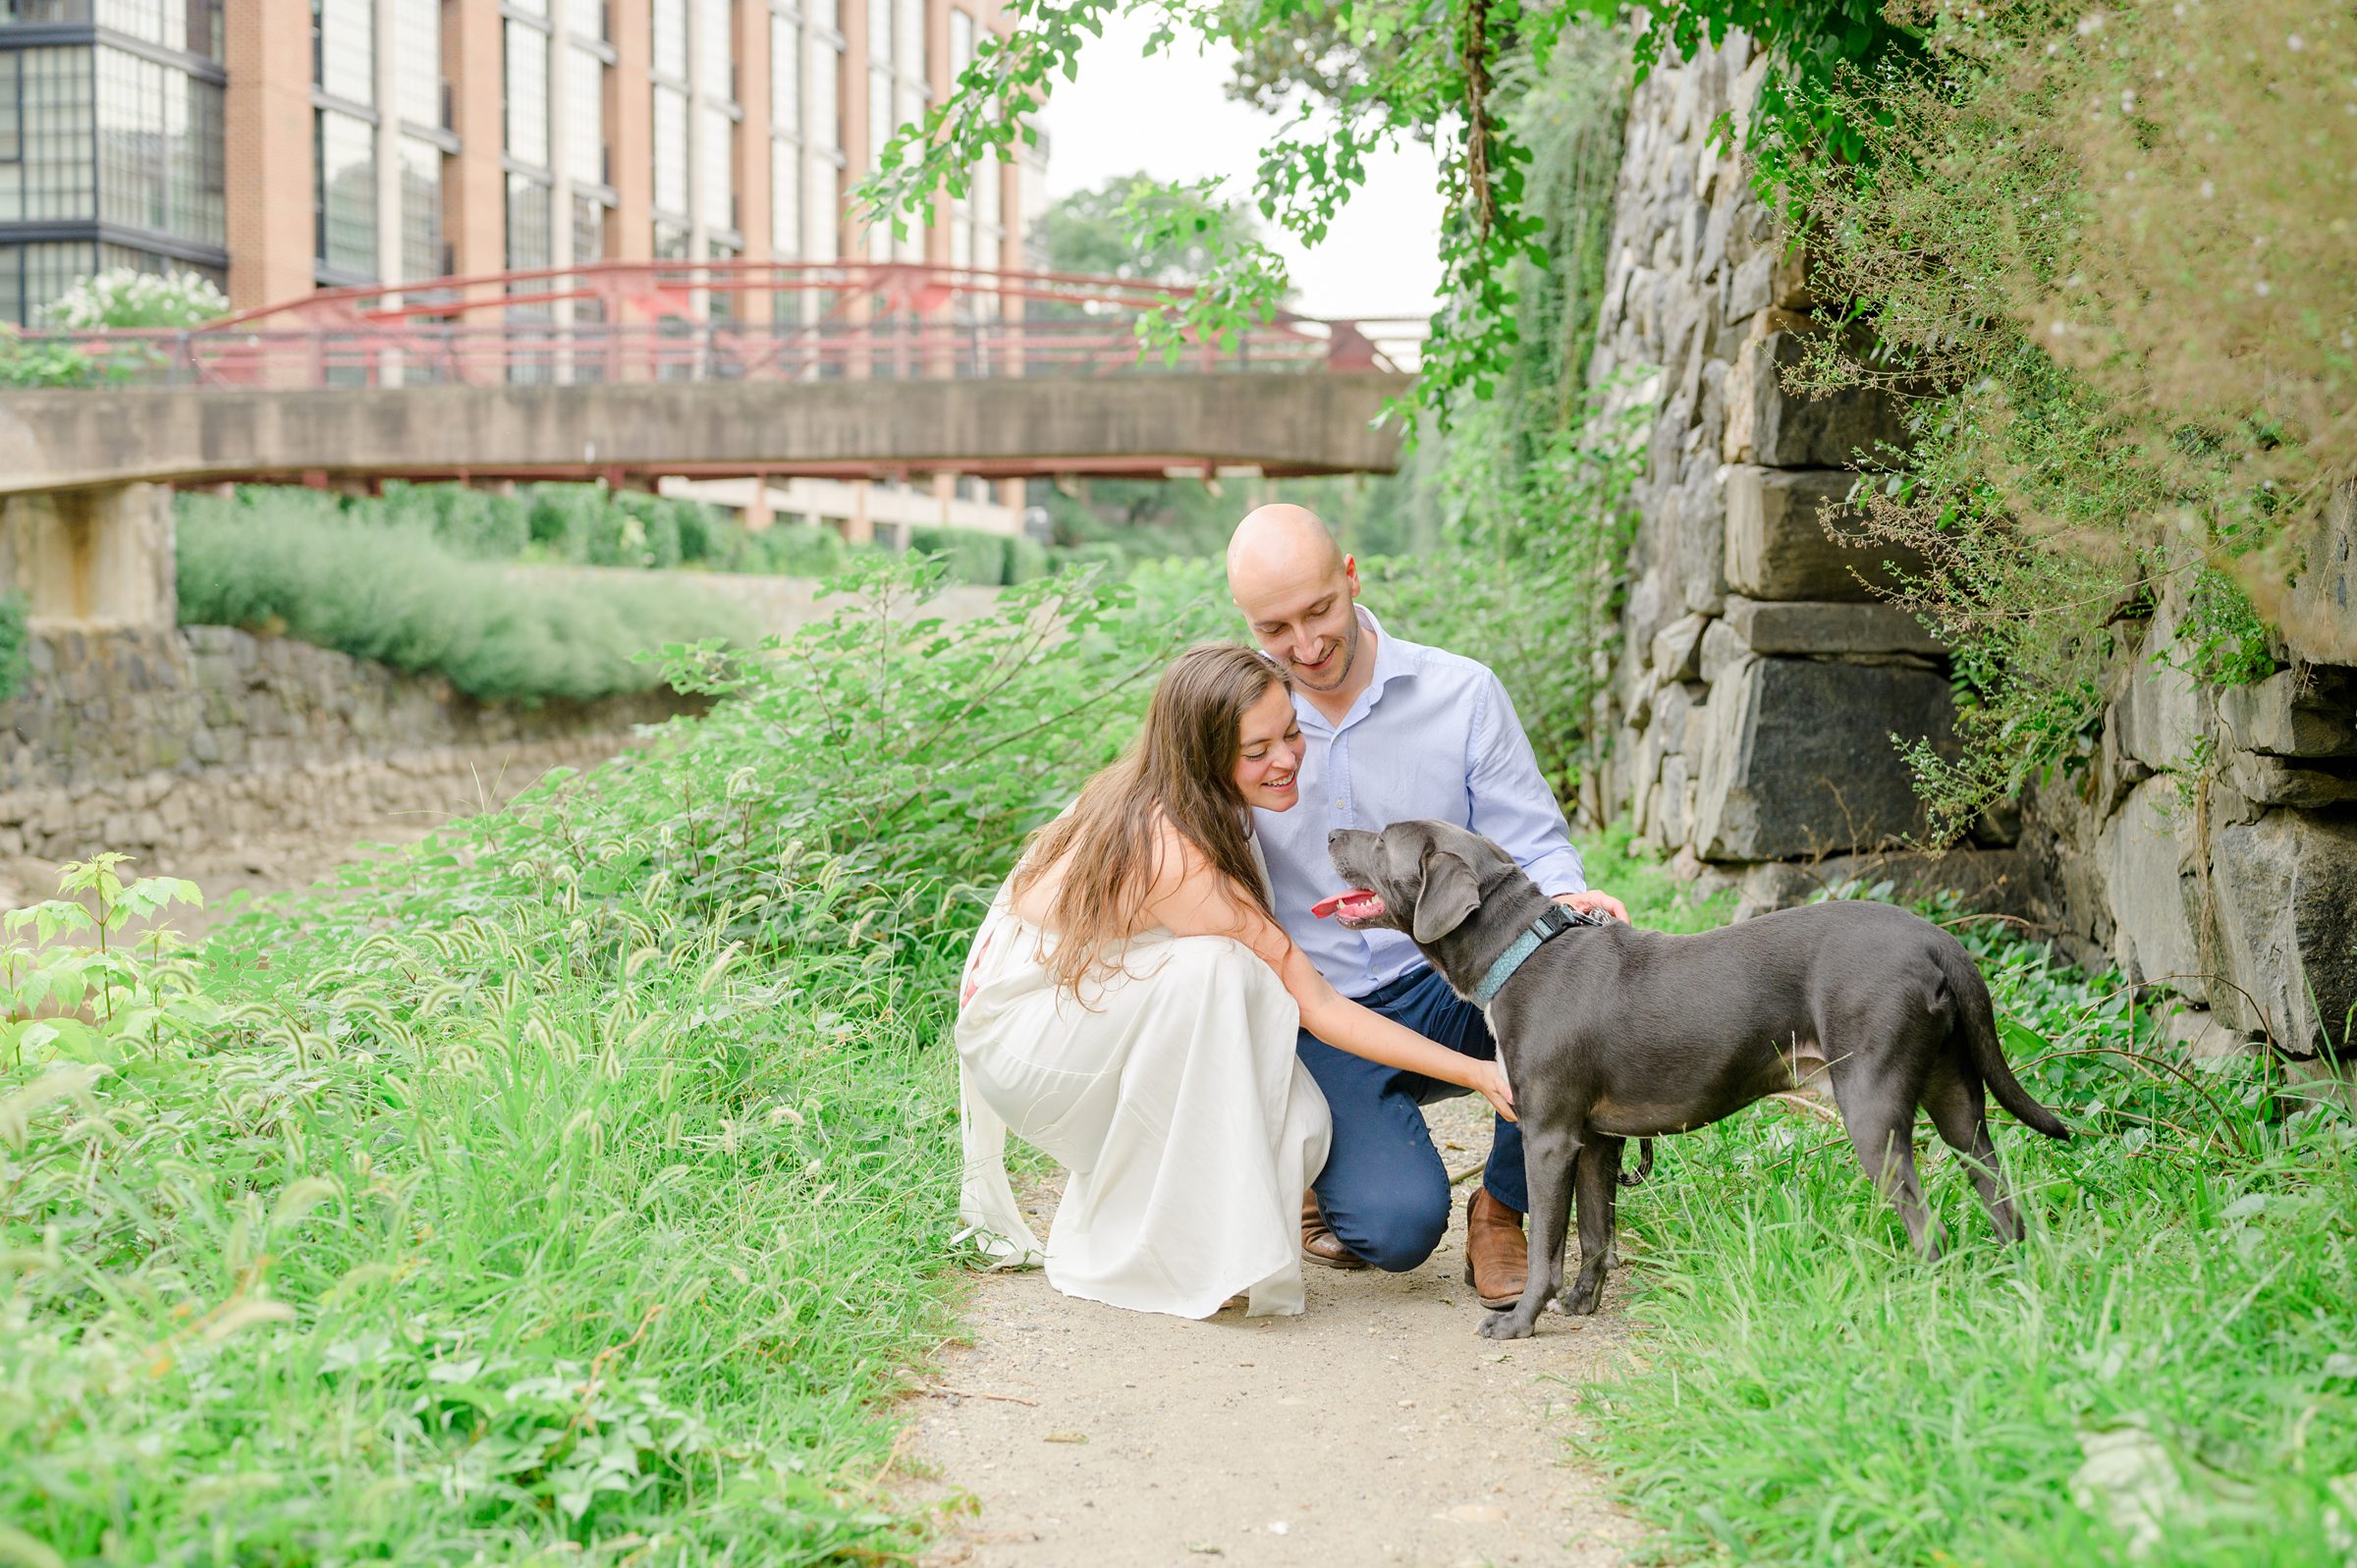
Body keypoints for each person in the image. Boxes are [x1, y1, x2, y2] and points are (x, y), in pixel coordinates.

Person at [954, 643, 1518, 1319]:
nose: (1285, 760)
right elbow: (1317, 1002)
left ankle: (1228, 1213)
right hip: (1035, 1038)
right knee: (1218, 972)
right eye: (1258, 750)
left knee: (1302, 1115)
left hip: (1081, 995)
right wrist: (1479, 1071)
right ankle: (1189, 1252)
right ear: (1203, 752)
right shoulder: (1175, 855)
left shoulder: (1180, 794)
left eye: (1291, 733)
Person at [1226, 505, 1628, 1309]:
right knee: (1397, 1229)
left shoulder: (1463, 694)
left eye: (1319, 612)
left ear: (1351, 578)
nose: (1305, 647)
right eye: (1276, 628)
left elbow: (1531, 842)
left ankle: (1505, 1205)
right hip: (1325, 1011)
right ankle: (1330, 1164)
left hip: (1455, 983)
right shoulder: (1241, 723)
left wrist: (1571, 902)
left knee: (1574, 992)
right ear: (1244, 622)